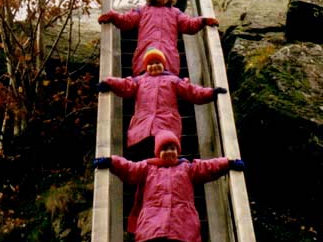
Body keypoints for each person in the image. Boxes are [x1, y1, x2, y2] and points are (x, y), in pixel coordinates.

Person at [93, 130, 244, 242]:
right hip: (155, 222)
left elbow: (207, 167)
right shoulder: (147, 167)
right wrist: (112, 161)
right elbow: (129, 169)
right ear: (158, 152)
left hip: (181, 221)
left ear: (178, 151)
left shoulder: (187, 168)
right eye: (165, 149)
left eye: (172, 148)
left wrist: (228, 163)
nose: (169, 151)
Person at [96, 47, 226, 160]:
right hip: (143, 125)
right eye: (150, 64)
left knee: (163, 154)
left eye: (157, 62)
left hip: (166, 124)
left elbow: (192, 91)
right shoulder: (139, 81)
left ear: (163, 64)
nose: (154, 66)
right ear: (145, 67)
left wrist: (211, 93)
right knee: (143, 156)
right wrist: (109, 83)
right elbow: (125, 85)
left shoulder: (173, 80)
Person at [98, 0, 218, 76]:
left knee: (167, 88)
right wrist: (112, 15)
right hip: (146, 53)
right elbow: (127, 21)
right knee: (144, 86)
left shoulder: (175, 12)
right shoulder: (143, 10)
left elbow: (188, 24)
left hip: (168, 55)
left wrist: (203, 21)